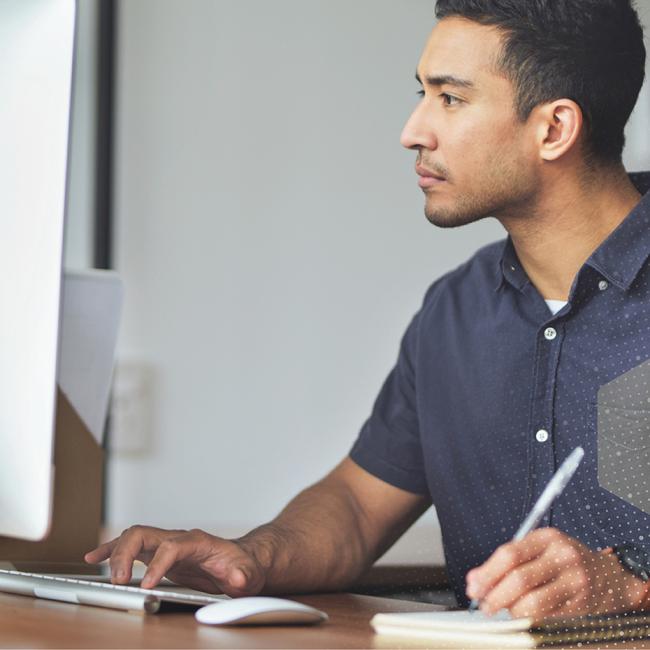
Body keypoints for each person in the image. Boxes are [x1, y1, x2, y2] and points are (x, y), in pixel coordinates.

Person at [86, 0, 650, 619]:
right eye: (423, 93)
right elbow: (357, 507)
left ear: (554, 129)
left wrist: (629, 583)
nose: (413, 131)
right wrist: (251, 557)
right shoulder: (454, 313)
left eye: (451, 99)